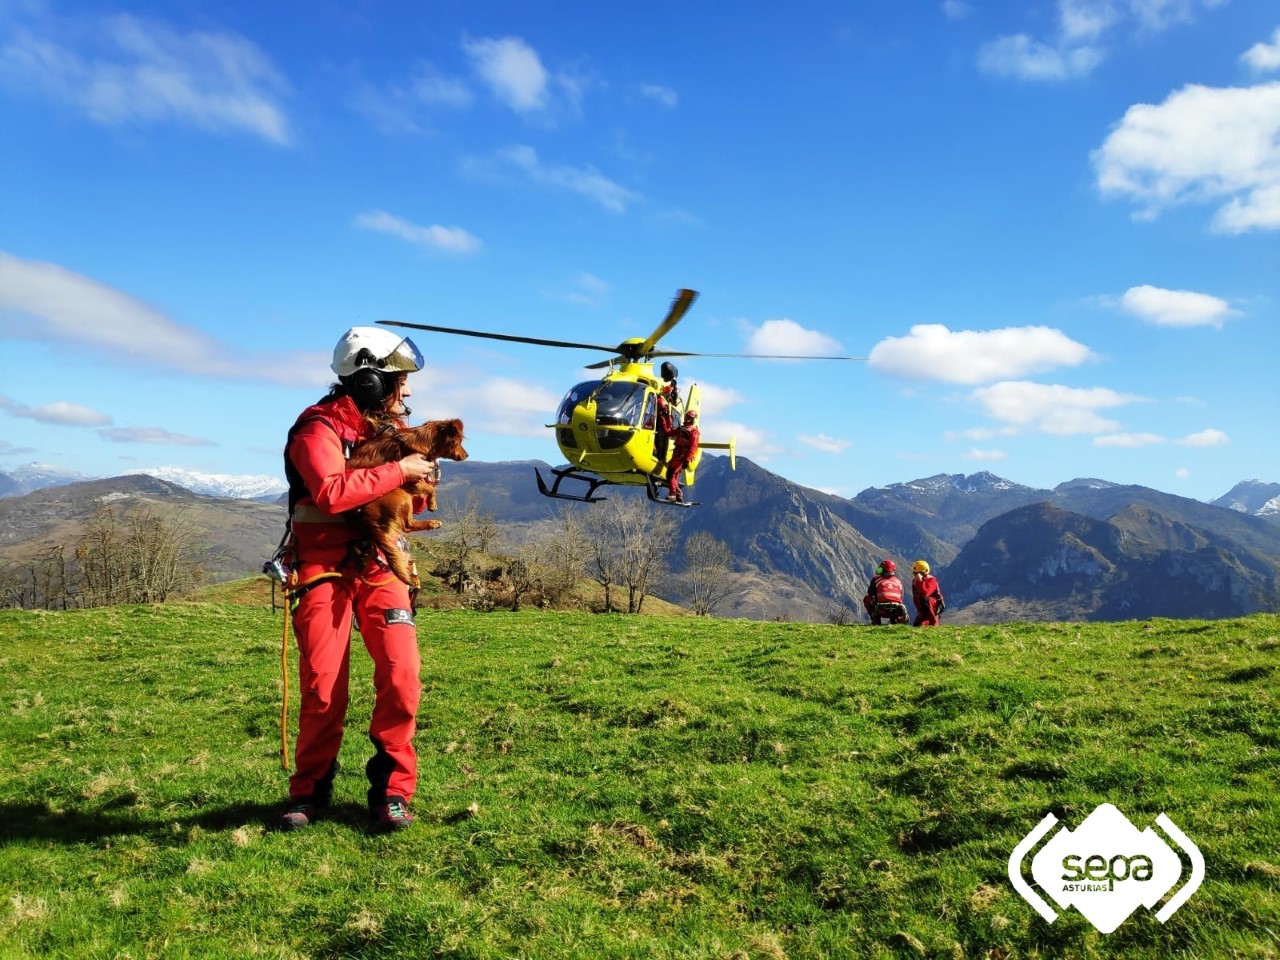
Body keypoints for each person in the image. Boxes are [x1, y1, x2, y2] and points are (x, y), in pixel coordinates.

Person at [277, 326, 438, 833]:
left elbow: (410, 497)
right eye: (399, 380)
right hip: (322, 568)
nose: (407, 391)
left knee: (402, 677)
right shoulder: (317, 430)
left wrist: (420, 480)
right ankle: (309, 791)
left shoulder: (390, 431)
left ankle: (392, 791)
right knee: (324, 687)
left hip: (378, 565)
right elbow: (328, 492)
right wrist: (397, 472)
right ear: (368, 380)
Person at [666, 409, 700, 502]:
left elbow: (693, 447)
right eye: (686, 417)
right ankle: (677, 495)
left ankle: (673, 494)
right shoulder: (681, 429)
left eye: (688, 417)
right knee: (674, 475)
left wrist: (687, 460)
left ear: (692, 419)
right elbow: (669, 433)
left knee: (670, 474)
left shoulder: (694, 432)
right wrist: (666, 421)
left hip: (681, 457)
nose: (686, 418)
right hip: (676, 455)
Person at [862, 559, 909, 625]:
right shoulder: (898, 582)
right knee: (897, 601)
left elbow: (870, 593)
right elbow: (901, 597)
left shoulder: (876, 580)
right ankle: (896, 621)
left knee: (867, 599)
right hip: (897, 610)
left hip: (881, 610)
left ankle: (876, 621)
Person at [911, 559, 945, 627]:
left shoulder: (931, 580)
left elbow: (925, 593)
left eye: (916, 573)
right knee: (917, 626)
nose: (915, 575)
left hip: (935, 605)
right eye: (914, 573)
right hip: (924, 606)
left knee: (924, 599)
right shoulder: (914, 582)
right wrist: (919, 610)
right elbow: (915, 597)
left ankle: (933, 623)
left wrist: (920, 582)